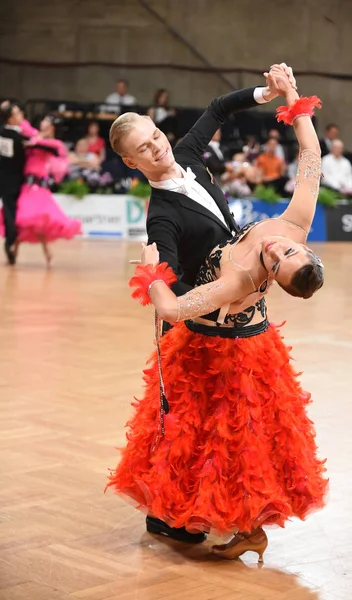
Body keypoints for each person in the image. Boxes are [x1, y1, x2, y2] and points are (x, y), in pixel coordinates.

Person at [107, 65, 328, 562]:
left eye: (155, 138)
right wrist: (277, 95)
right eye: (147, 144)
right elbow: (227, 114)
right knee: (194, 429)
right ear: (131, 160)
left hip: (217, 318)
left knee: (226, 433)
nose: (159, 147)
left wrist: (153, 276)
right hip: (214, 317)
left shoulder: (216, 251)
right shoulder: (282, 224)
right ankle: (179, 514)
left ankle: (224, 517)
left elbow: (176, 300)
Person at [0, 115, 82, 266]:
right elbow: (25, 129)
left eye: (46, 121)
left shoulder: (51, 143)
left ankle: (44, 251)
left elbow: (50, 148)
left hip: (39, 188)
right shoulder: (33, 136)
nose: (42, 122)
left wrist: (35, 140)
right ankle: (17, 249)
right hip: (26, 185)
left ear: (51, 127)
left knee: (37, 219)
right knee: (21, 218)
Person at [0, 101, 26, 264]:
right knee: (11, 212)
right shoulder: (16, 136)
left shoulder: (3, 133)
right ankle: (10, 240)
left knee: (11, 211)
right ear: (10, 118)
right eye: (17, 113)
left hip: (7, 180)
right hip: (13, 181)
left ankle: (12, 240)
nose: (20, 115)